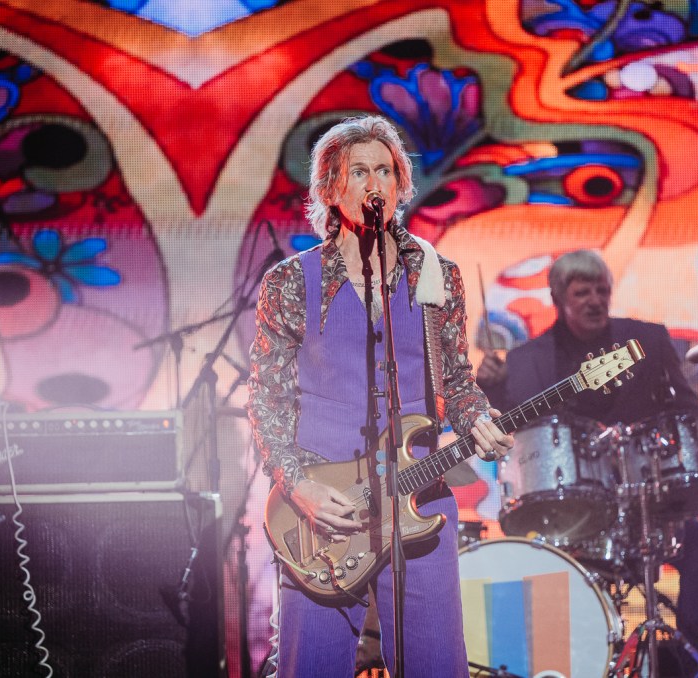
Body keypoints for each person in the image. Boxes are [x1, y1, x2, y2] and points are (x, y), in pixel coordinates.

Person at [246, 115, 512, 677]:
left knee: (435, 666)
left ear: (401, 184)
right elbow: (267, 402)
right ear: (330, 188)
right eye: (360, 171)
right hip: (324, 510)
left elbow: (455, 382)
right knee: (311, 667)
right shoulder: (290, 282)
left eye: (386, 171)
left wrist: (476, 419)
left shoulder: (437, 276)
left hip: (417, 496)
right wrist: (299, 485)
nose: (376, 185)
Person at [477, 249, 698, 672]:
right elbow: (513, 434)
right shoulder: (526, 360)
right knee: (535, 564)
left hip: (648, 504)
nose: (596, 300)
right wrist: (492, 390)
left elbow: (686, 410)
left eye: (602, 291)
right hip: (570, 517)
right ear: (558, 298)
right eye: (583, 293)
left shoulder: (647, 340)